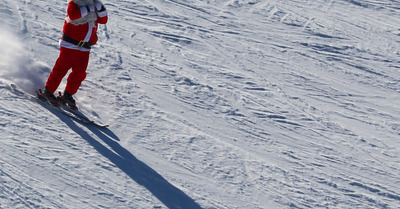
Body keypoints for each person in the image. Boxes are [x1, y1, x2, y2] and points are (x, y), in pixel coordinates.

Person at [43, 0, 108, 109]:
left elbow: (103, 20)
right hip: (70, 44)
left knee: (80, 73)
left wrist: (101, 8)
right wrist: (87, 9)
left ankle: (67, 95)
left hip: (85, 48)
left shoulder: (94, 5)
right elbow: (73, 15)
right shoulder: (75, 3)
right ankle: (48, 91)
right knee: (61, 69)